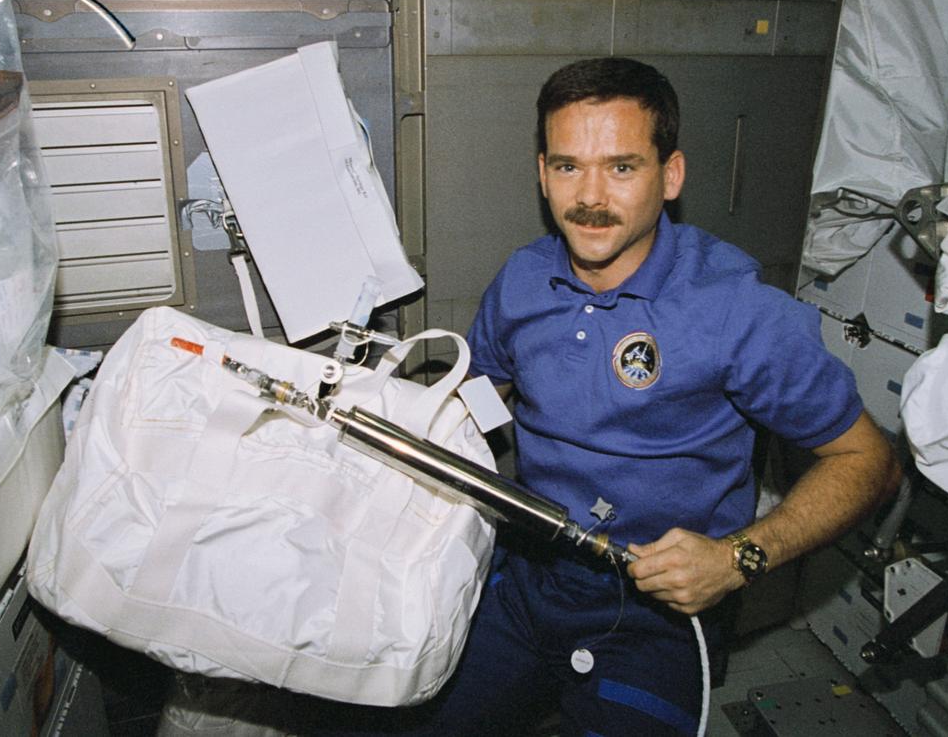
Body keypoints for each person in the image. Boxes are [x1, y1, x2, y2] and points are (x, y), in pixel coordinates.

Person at [294, 57, 900, 737]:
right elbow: (472, 396)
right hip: (530, 575)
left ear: (670, 176)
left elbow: (868, 459)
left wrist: (737, 559)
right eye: (566, 165)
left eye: (621, 167)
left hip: (659, 611)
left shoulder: (735, 309)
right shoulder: (523, 280)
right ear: (541, 172)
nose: (588, 196)